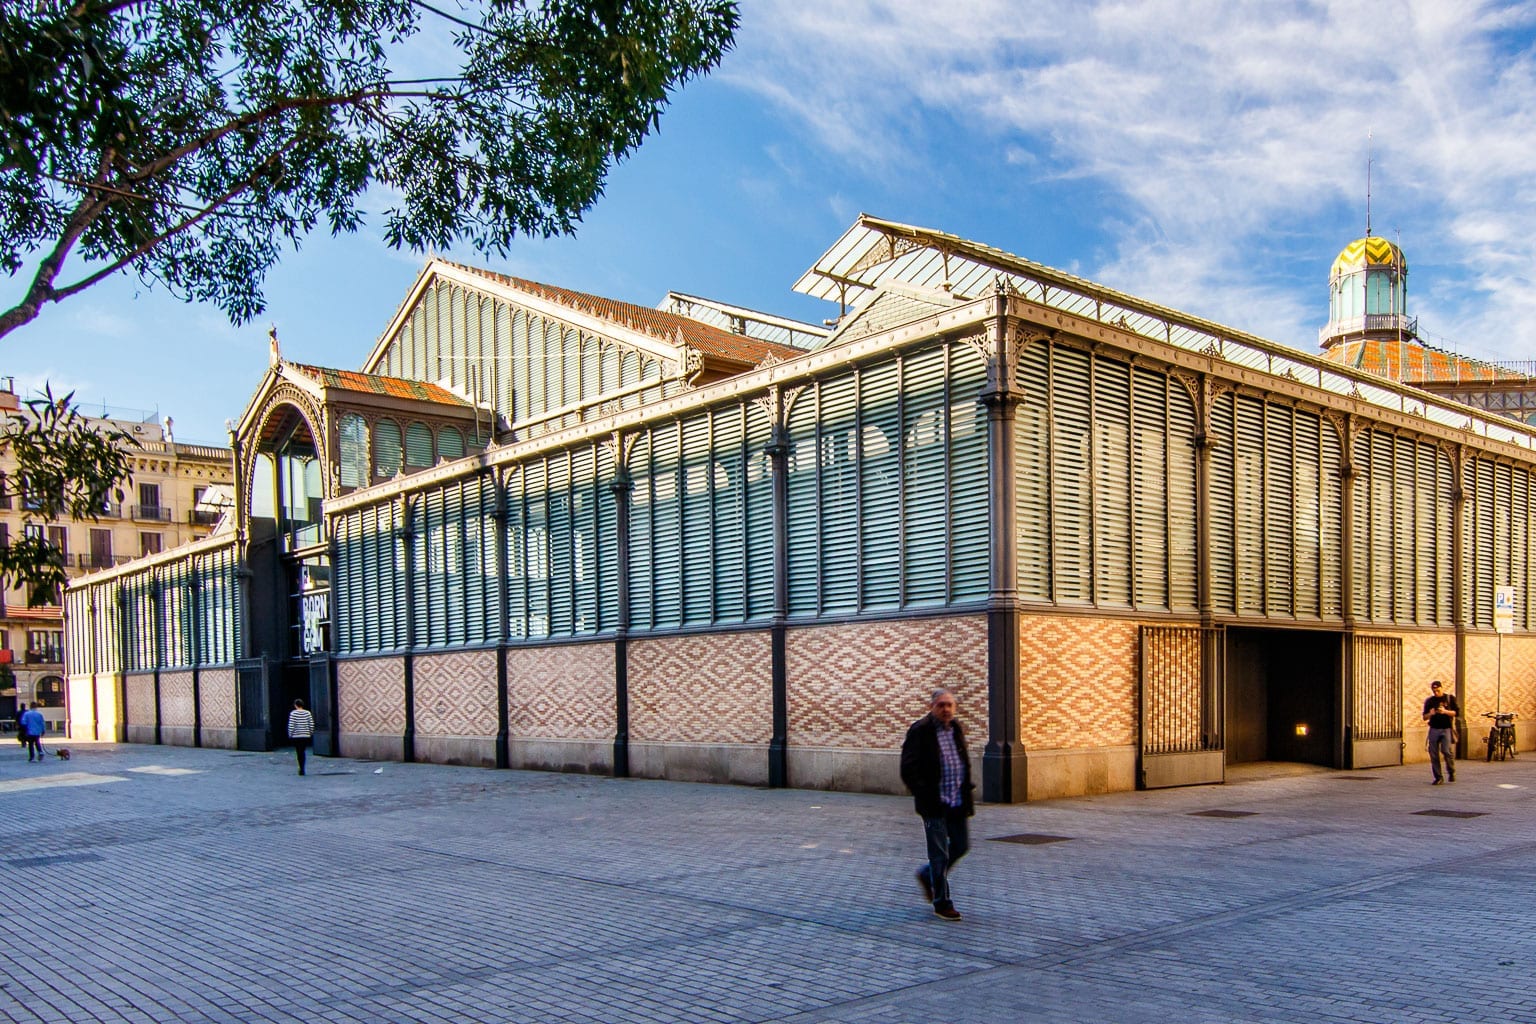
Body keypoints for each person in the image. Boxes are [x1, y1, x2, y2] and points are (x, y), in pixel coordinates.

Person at [899, 687, 975, 921]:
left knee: (961, 846)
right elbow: (908, 768)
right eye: (941, 705)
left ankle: (927, 875)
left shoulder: (956, 729)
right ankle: (942, 902)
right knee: (939, 854)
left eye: (949, 705)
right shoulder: (920, 731)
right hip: (935, 803)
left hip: (957, 801)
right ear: (932, 707)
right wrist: (924, 794)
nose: (945, 709)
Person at [1422, 680, 1458, 784]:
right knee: (1433, 754)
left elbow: (1456, 713)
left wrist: (1445, 711)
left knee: (1446, 751)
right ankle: (1438, 777)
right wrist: (1431, 714)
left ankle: (1451, 771)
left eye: (1438, 690)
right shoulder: (1429, 701)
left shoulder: (1449, 699)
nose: (1436, 692)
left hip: (1446, 728)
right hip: (1434, 729)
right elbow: (1424, 717)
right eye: (1434, 691)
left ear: (1442, 688)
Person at [287, 698, 315, 776]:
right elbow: (311, 724)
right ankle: (302, 767)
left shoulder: (293, 713)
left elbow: (291, 725)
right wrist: (310, 733)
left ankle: (301, 768)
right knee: (303, 751)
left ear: (295, 705)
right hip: (305, 735)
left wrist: (290, 734)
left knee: (299, 752)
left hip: (296, 736)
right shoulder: (307, 713)